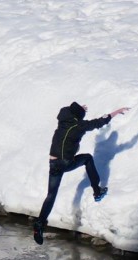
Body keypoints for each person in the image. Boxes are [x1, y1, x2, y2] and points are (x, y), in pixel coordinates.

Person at [33, 102, 130, 245]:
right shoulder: (79, 126)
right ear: (78, 117)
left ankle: (39, 224)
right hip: (65, 162)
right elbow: (99, 122)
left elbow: (69, 110)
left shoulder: (63, 119)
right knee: (88, 158)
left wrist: (79, 109)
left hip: (53, 163)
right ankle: (97, 191)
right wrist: (116, 111)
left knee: (51, 195)